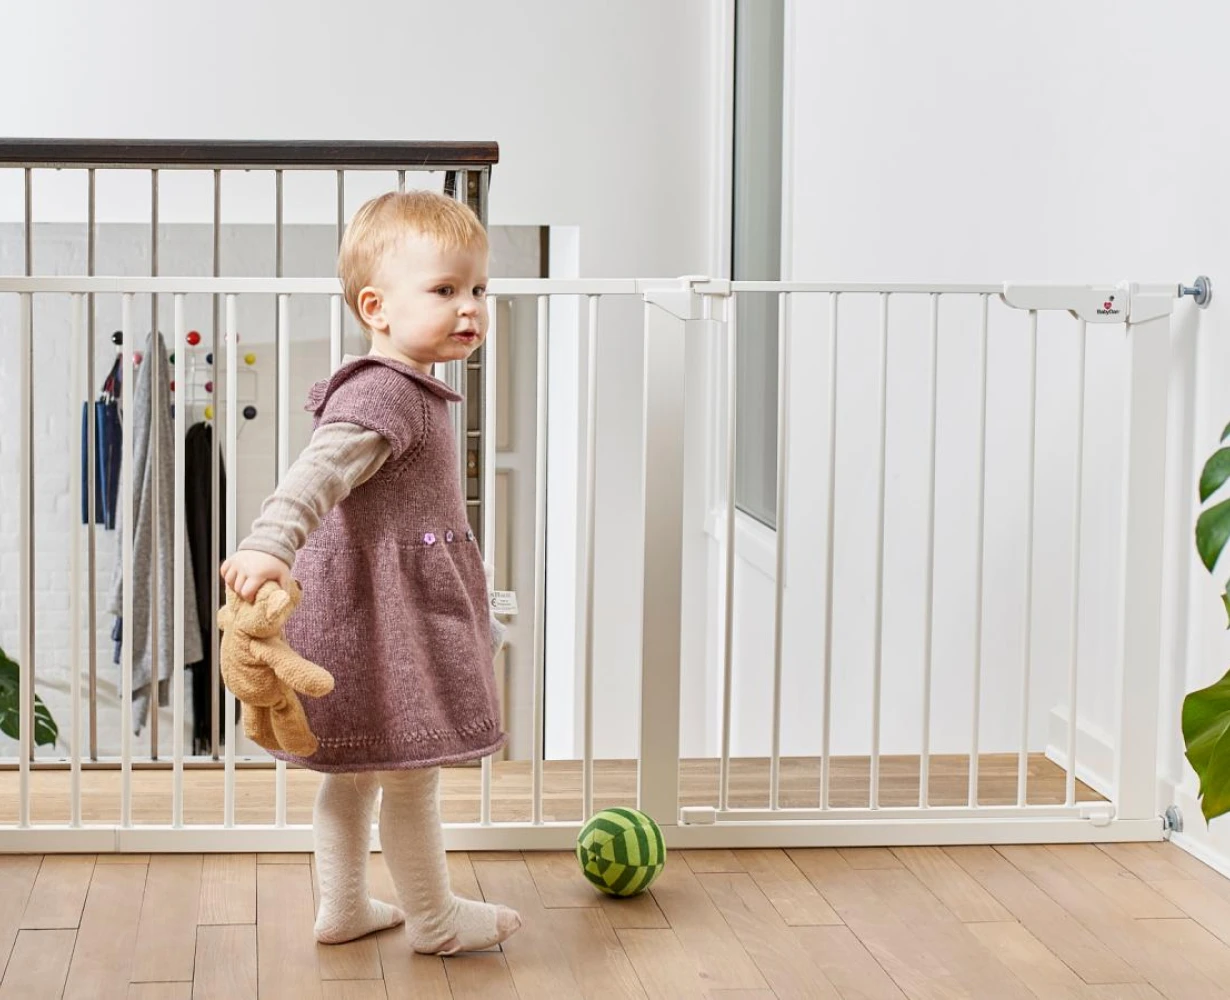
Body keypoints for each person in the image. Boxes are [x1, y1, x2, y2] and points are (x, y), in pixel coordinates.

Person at [220, 190, 520, 954]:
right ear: (376, 307)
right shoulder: (386, 392)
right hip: (385, 626)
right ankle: (437, 920)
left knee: (351, 774)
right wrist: (268, 541)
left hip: (367, 618)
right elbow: (315, 474)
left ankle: (344, 906)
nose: (471, 308)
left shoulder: (409, 387)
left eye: (479, 290)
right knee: (412, 778)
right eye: (446, 290)